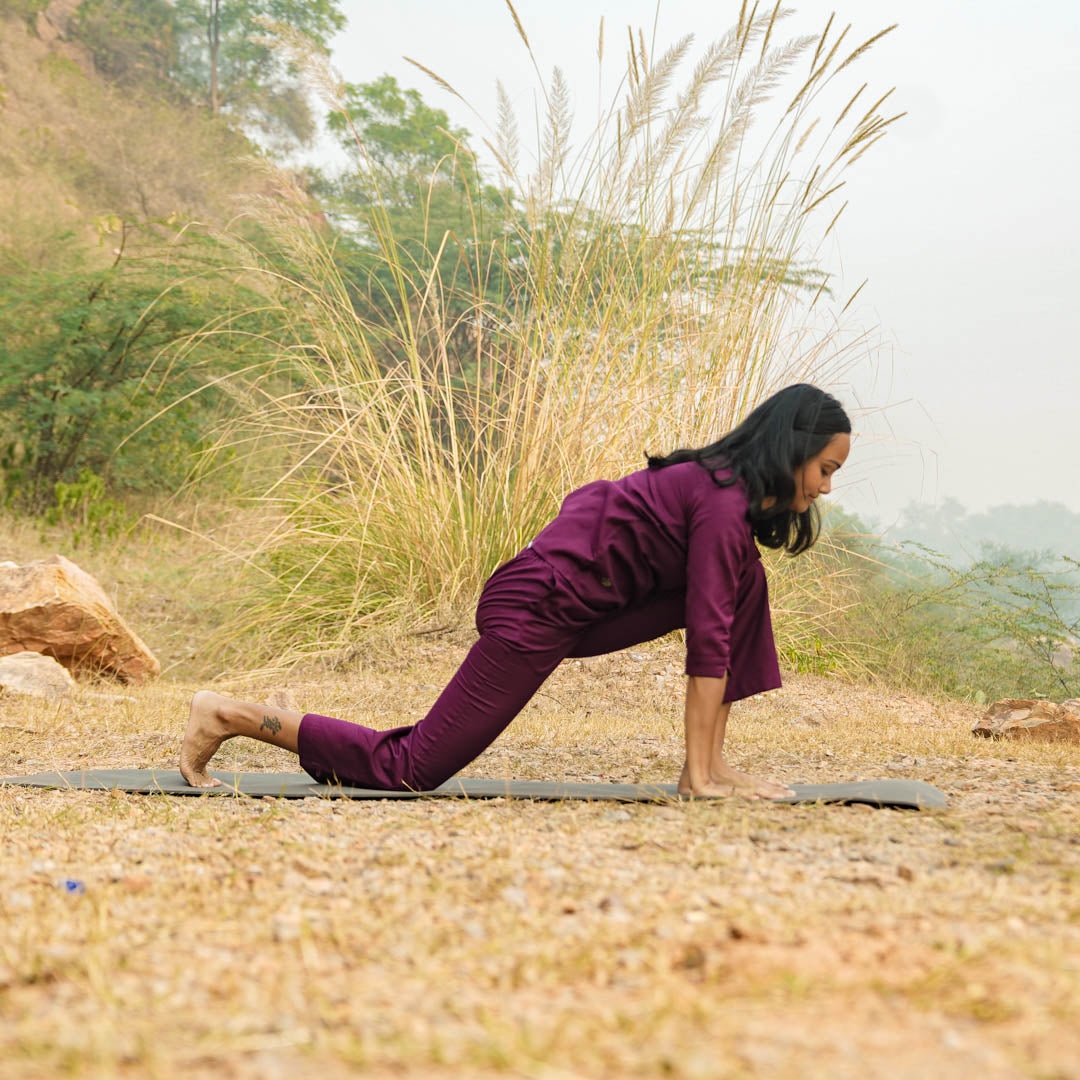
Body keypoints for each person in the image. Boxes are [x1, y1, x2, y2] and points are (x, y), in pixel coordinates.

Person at [180, 382, 851, 799]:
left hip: (578, 606)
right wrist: (694, 782)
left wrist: (709, 769)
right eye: (824, 469)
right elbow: (706, 641)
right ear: (790, 453)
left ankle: (711, 765)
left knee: (744, 583)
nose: (824, 487)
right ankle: (230, 715)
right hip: (536, 606)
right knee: (412, 768)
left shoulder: (722, 502)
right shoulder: (720, 502)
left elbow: (720, 622)